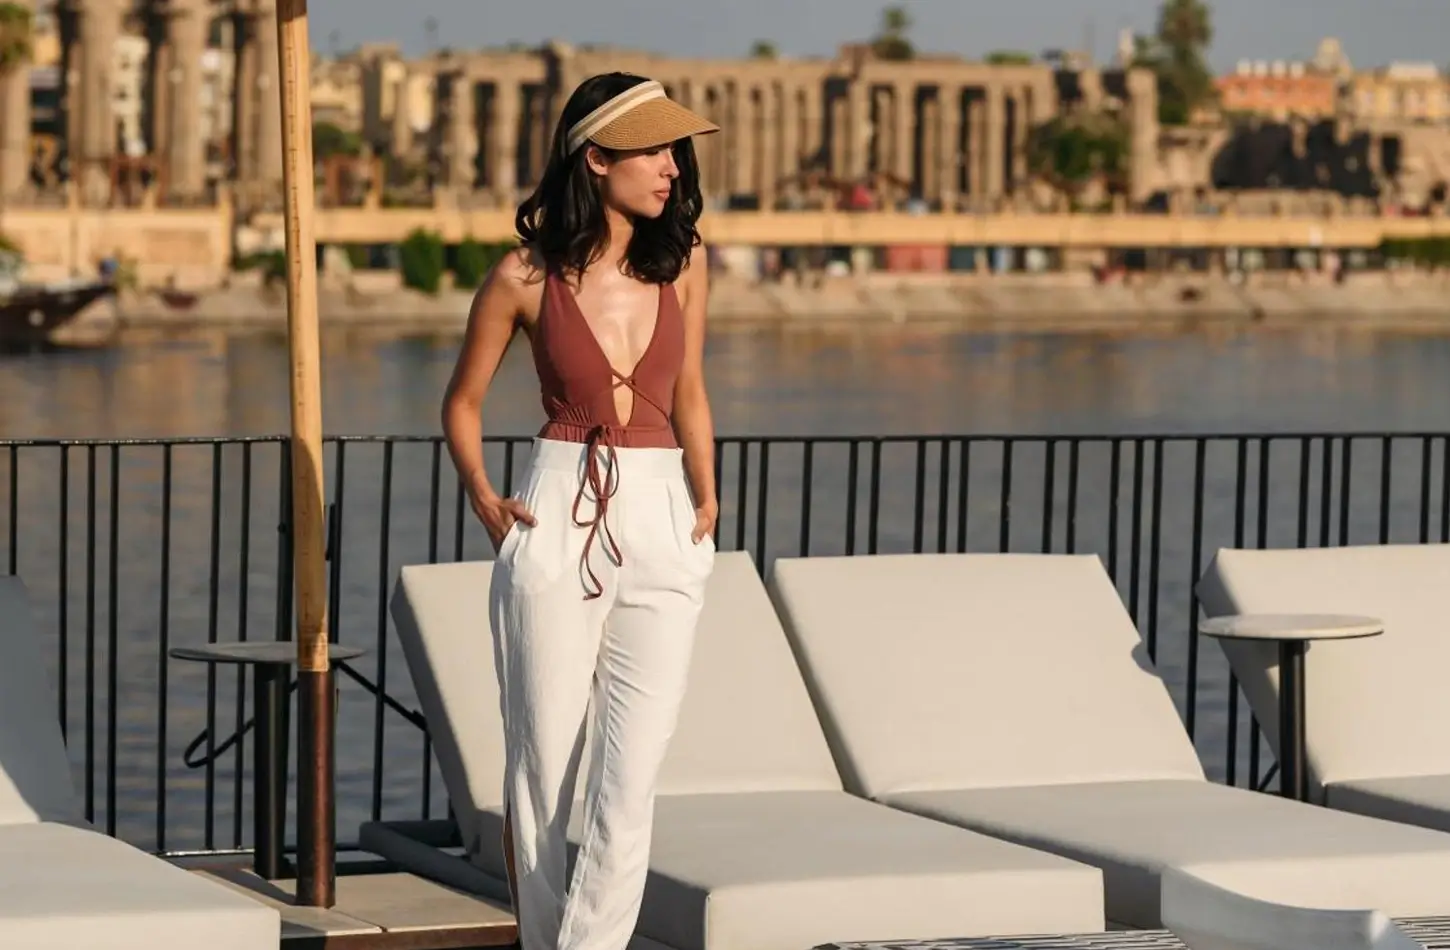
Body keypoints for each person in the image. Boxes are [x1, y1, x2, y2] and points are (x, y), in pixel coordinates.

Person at [440, 73, 721, 950]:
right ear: (596, 159)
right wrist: (484, 495)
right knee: (542, 776)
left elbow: (693, 392)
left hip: (664, 517)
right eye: (655, 149)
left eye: (678, 150)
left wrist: (708, 494)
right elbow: (461, 400)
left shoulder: (688, 262)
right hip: (560, 509)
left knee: (630, 782)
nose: (674, 167)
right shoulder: (524, 276)